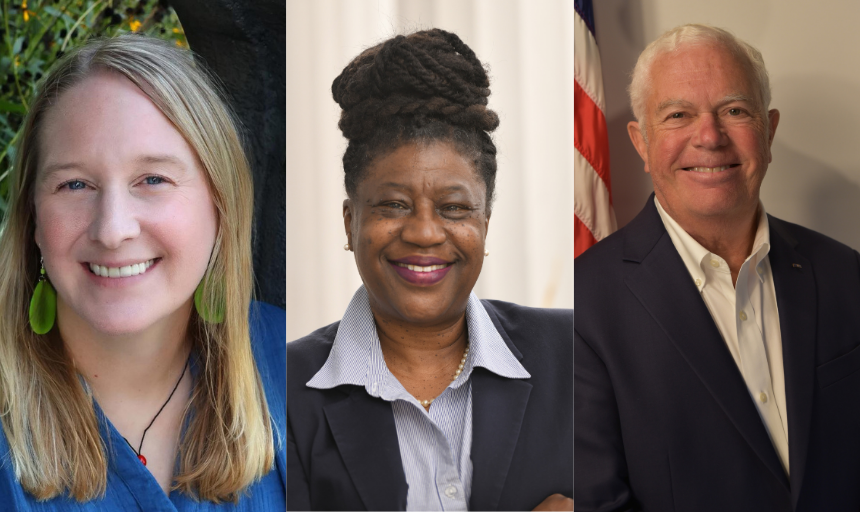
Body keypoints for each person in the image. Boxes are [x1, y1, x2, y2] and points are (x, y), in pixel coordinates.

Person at [575, 23, 860, 511]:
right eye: (678, 115)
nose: (709, 137)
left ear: (768, 131)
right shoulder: (583, 306)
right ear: (641, 142)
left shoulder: (845, 274)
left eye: (734, 110)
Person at [287, 29, 573, 511]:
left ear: (486, 222)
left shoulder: (575, 353)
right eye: (394, 204)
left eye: (455, 209)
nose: (423, 232)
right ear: (350, 220)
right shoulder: (283, 391)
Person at [0, 35, 285, 510]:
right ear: (32, 218)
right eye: (74, 184)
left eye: (152, 179)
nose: (112, 229)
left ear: (221, 203)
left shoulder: (303, 368)